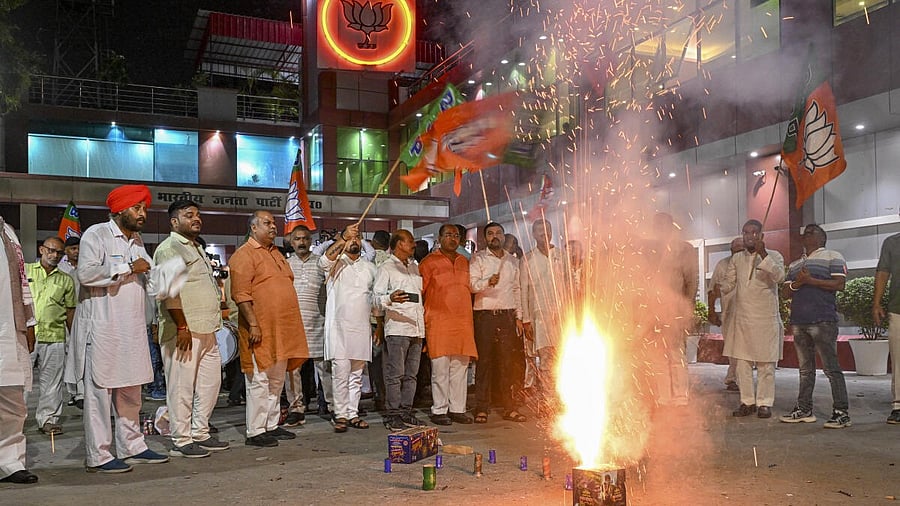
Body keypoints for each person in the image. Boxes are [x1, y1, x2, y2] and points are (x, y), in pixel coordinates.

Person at [72, 184, 170, 473]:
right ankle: (99, 456)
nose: (142, 213)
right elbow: (87, 273)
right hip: (102, 329)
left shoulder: (137, 241)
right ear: (119, 209)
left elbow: (150, 278)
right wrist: (129, 267)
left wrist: (165, 276)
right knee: (99, 394)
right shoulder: (97, 234)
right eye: (137, 208)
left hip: (132, 328)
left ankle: (133, 447)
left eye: (144, 209)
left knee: (131, 390)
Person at [153, 200, 229, 457]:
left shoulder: (196, 247)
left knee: (210, 385)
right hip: (183, 330)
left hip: (207, 329)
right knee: (181, 387)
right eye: (189, 215)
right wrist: (182, 325)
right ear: (174, 222)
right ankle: (181, 439)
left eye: (198, 214)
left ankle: (200, 432)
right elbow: (169, 292)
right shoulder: (170, 248)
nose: (197, 219)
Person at [229, 210, 310, 447]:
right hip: (260, 329)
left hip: (282, 329)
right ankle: (255, 430)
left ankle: (272, 425)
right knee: (259, 380)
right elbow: (241, 294)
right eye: (267, 223)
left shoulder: (276, 253)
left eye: (274, 223)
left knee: (276, 380)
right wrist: (253, 323)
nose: (273, 227)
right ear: (253, 228)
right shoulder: (244, 255)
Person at [779, 224, 850, 428]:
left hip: (823, 321)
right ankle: (804, 409)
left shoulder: (833, 256)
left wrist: (810, 280)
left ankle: (841, 412)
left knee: (831, 368)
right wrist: (799, 282)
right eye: (804, 233)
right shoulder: (795, 265)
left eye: (810, 232)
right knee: (805, 369)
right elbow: (785, 293)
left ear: (821, 238)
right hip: (799, 321)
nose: (805, 235)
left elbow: (839, 284)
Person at [719, 219, 785, 419]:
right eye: (746, 232)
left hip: (765, 319)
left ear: (761, 236)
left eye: (754, 232)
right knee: (742, 363)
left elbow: (780, 277)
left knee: (766, 364)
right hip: (743, 319)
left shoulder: (774, 255)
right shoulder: (737, 258)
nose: (749, 236)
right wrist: (721, 286)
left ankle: (765, 403)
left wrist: (763, 254)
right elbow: (728, 284)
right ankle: (747, 402)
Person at [320, 223, 378, 433]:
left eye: (358, 237)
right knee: (340, 374)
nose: (355, 241)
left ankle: (352, 413)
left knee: (356, 376)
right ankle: (341, 414)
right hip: (338, 330)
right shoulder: (335, 265)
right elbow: (323, 261)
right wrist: (343, 238)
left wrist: (389, 300)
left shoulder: (369, 267)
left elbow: (375, 299)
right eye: (351, 238)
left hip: (361, 329)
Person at [420, 224, 477, 426]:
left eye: (456, 235)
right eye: (448, 235)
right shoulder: (428, 263)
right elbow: (421, 293)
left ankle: (457, 409)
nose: (452, 239)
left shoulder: (466, 261)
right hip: (438, 323)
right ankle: (439, 410)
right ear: (439, 237)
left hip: (463, 323)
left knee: (460, 368)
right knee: (440, 369)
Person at [469, 222, 526, 424]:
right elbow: (472, 286)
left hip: (507, 315)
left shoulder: (512, 261)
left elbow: (517, 289)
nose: (495, 236)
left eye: (498, 233)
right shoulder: (478, 258)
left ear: (504, 236)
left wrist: (519, 316)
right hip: (485, 315)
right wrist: (487, 283)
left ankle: (509, 407)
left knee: (507, 363)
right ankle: (481, 407)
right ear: (485, 238)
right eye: (491, 233)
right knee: (484, 362)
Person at [643, 213, 698, 407]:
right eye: (657, 225)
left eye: (664, 225)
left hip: (675, 308)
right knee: (658, 355)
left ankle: (681, 395)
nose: (661, 228)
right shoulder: (648, 249)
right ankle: (663, 395)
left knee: (676, 353)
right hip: (652, 309)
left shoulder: (684, 249)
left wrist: (688, 307)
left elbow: (691, 281)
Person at [0, 216, 39, 484]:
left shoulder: (8, 232)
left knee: (13, 400)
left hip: (10, 326)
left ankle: (10, 463)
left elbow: (23, 281)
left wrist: (29, 322)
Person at [374, 229, 426, 431]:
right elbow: (375, 299)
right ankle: (392, 414)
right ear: (398, 244)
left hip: (416, 328)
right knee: (395, 374)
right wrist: (390, 298)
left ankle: (406, 411)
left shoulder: (415, 266)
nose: (414, 244)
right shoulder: (386, 268)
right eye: (410, 241)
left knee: (411, 375)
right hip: (397, 328)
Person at [25, 236, 76, 436]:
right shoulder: (26, 272)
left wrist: (74, 339)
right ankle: (13, 421)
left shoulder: (66, 279)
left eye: (59, 252)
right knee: (20, 382)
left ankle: (48, 420)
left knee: (52, 382)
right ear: (41, 250)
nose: (54, 255)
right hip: (26, 335)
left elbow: (70, 311)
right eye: (51, 251)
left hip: (55, 336)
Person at [284, 225, 330, 426]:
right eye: (297, 239)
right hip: (294, 326)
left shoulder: (321, 264)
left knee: (325, 369)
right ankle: (296, 409)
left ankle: (333, 406)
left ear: (310, 241)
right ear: (291, 242)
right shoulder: (285, 265)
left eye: (305, 238)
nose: (301, 242)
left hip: (318, 324)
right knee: (292, 371)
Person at [520, 219, 563, 409]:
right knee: (544, 361)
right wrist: (526, 319)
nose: (543, 234)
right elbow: (523, 290)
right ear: (533, 235)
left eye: (546, 230)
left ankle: (563, 399)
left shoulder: (561, 256)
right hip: (539, 317)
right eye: (539, 231)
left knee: (563, 358)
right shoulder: (528, 259)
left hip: (563, 317)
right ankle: (547, 402)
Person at [708, 238, 745, 391]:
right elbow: (713, 290)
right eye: (734, 251)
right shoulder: (723, 265)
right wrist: (712, 312)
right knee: (733, 347)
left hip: (750, 313)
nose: (737, 254)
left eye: (740, 251)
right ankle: (733, 379)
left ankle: (737, 379)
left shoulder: (753, 263)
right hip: (729, 313)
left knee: (744, 348)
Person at [872, 227, 900, 424]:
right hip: (897, 309)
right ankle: (898, 405)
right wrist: (876, 303)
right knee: (898, 359)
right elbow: (883, 272)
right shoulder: (891, 242)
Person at [59, 236, 85, 409]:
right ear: (66, 251)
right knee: (68, 356)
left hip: (83, 316)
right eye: (72, 248)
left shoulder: (86, 265)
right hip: (64, 318)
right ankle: (73, 392)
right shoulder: (60, 268)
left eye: (78, 248)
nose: (76, 252)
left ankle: (82, 393)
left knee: (82, 355)